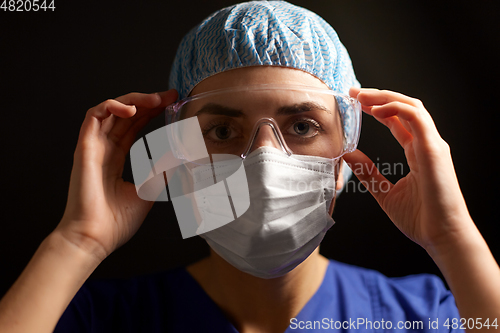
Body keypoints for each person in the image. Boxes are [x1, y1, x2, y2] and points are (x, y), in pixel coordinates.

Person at [0, 1, 499, 332]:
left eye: (302, 126)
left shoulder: (427, 315)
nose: (264, 158)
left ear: (347, 153)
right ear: (177, 153)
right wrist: (77, 242)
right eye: (221, 131)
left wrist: (452, 238)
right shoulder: (99, 320)